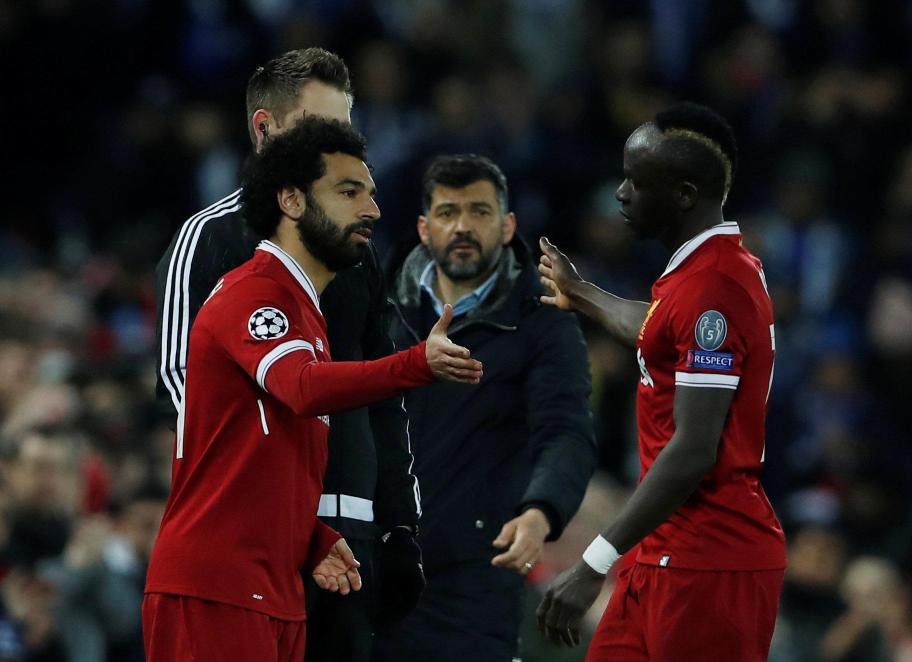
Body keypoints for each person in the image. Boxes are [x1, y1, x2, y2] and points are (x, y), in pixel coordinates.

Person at [143, 117, 482, 662]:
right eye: (349, 192)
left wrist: (312, 535)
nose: (371, 210)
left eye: (371, 194)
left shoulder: (307, 314)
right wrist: (416, 363)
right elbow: (301, 388)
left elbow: (260, 459)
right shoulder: (255, 295)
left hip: (272, 585)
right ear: (293, 201)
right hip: (216, 589)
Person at [535, 103, 786, 661]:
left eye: (636, 181)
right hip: (663, 549)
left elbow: (694, 449)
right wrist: (580, 293)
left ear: (683, 194)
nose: (621, 194)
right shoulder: (707, 270)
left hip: (712, 561)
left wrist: (593, 563)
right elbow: (656, 329)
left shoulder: (713, 289)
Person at [375, 154, 596, 661]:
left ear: (507, 225)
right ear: (424, 228)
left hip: (476, 575)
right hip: (372, 565)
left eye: (479, 212)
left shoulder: (543, 320)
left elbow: (566, 429)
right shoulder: (380, 309)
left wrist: (541, 513)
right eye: (449, 213)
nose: (463, 227)